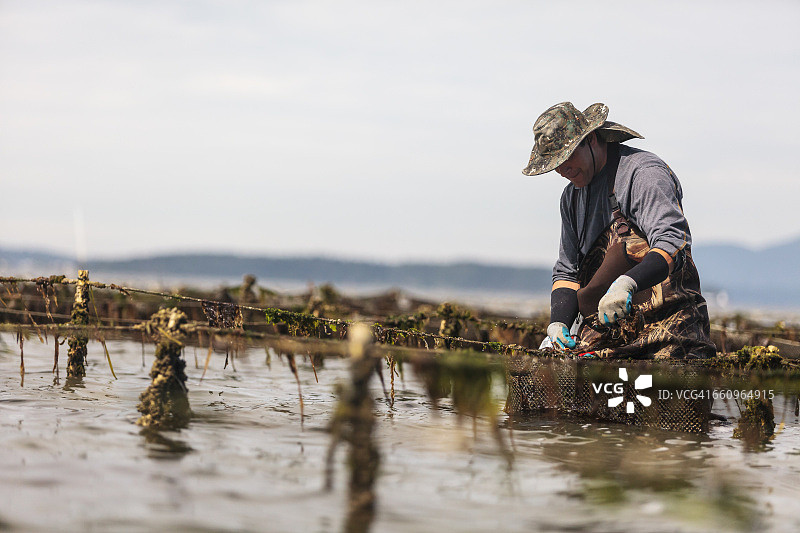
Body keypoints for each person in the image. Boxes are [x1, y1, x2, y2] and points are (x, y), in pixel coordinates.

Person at [522, 102, 715, 359]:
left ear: (591, 139)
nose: (561, 170)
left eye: (567, 157)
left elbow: (672, 242)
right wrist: (559, 322)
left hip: (669, 335)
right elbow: (567, 271)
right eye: (555, 164)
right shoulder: (571, 198)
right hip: (607, 336)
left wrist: (627, 284)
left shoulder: (643, 174)